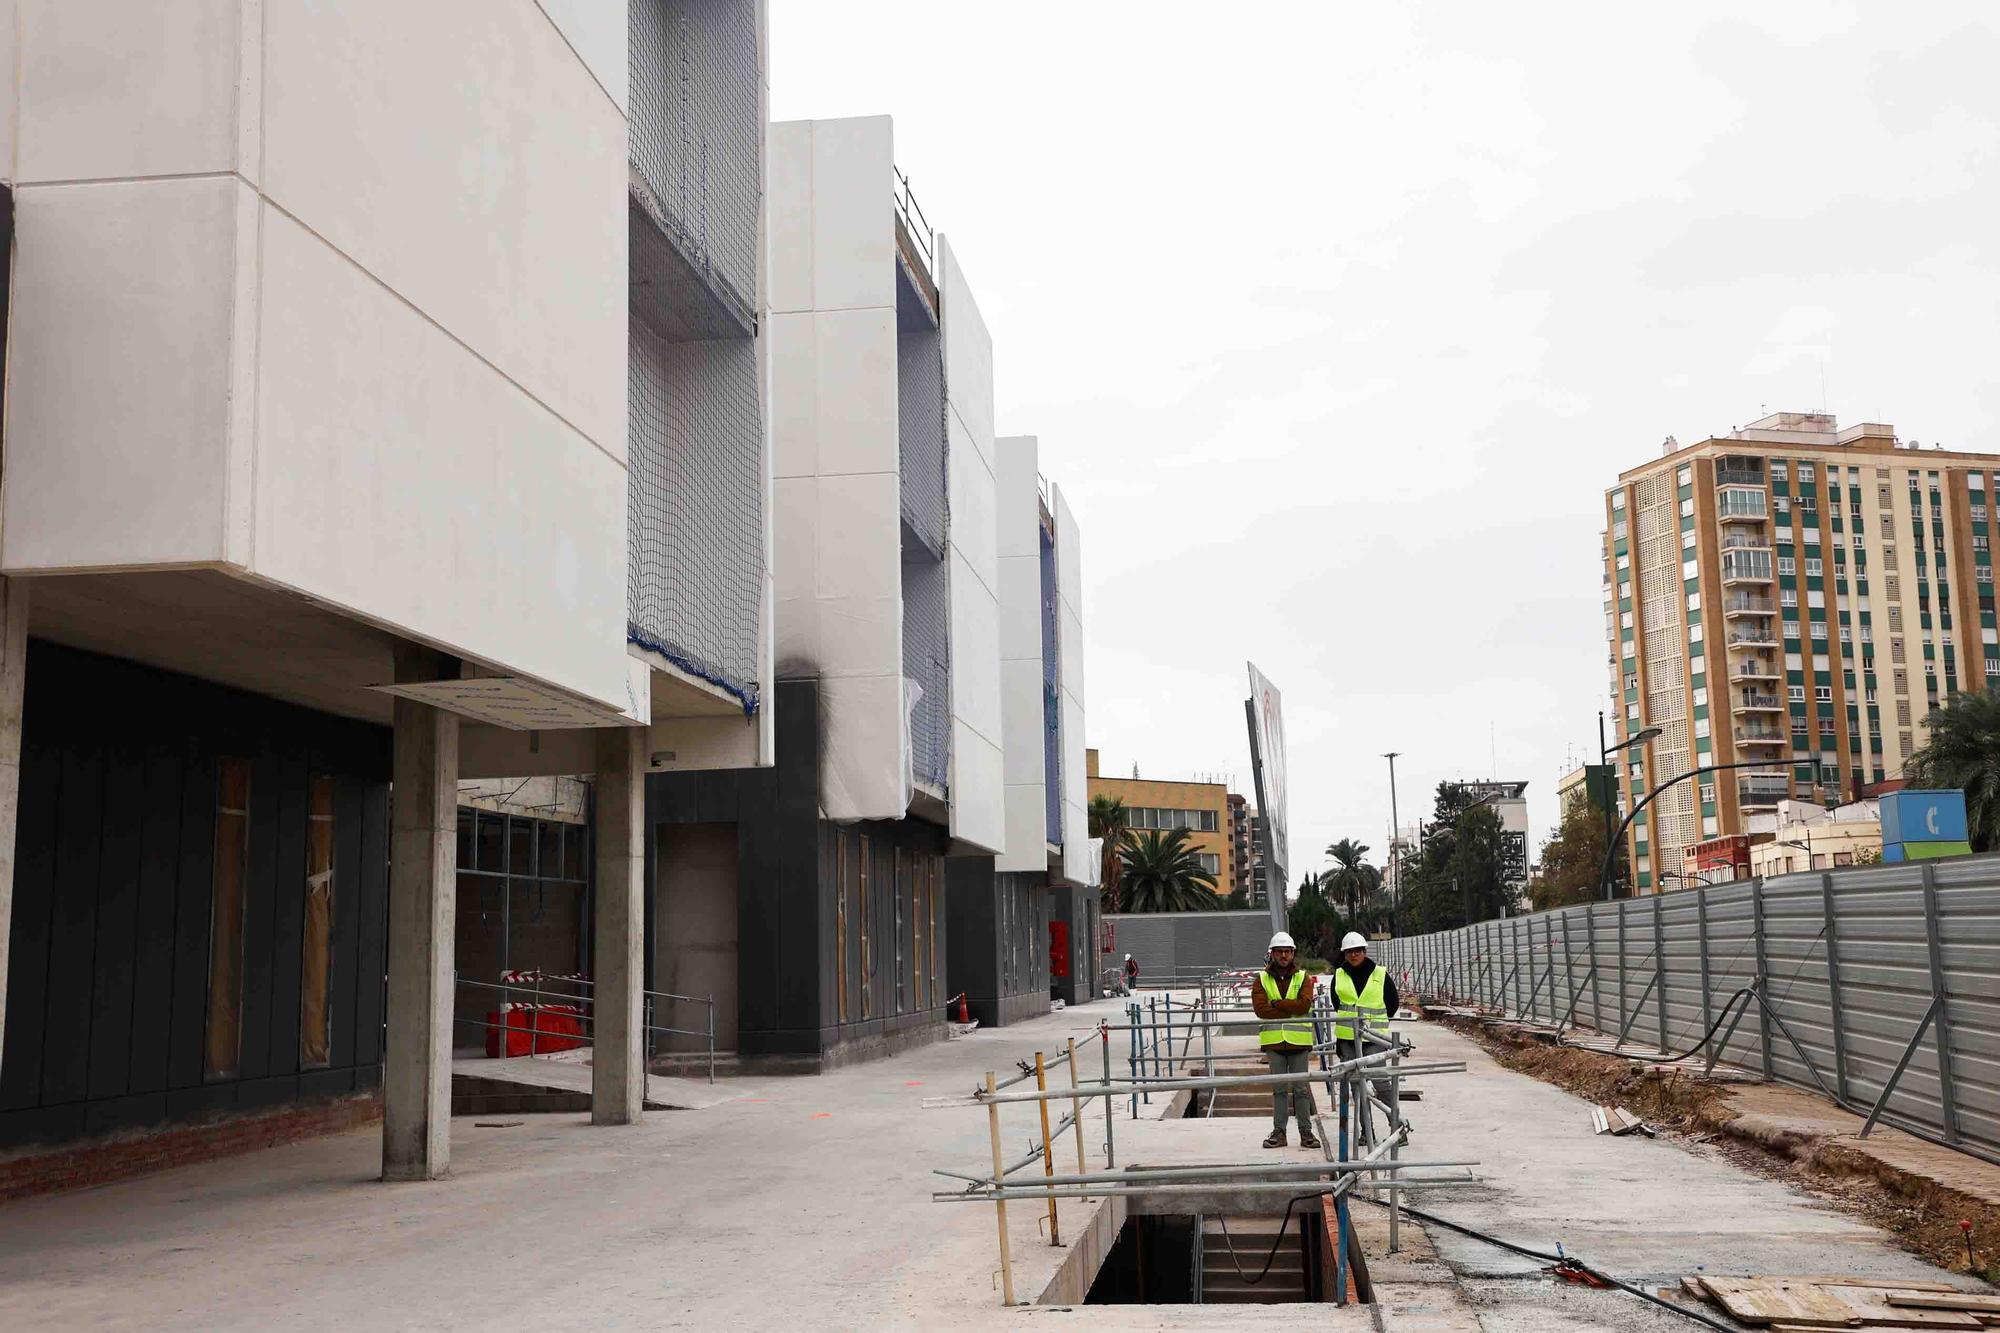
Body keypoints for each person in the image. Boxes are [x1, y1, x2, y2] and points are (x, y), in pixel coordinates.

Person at [1251, 931, 1320, 1149]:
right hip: (1274, 1043)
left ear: (1293, 953)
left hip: (1298, 1043)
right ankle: (1279, 1132)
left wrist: (1276, 1004)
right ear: (1271, 954)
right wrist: (1288, 1006)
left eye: (1287, 951)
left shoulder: (1303, 977)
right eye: (1279, 951)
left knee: (1301, 1089)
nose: (1283, 955)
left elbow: (1304, 1006)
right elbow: (1261, 1010)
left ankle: (1306, 1133)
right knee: (1279, 1090)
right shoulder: (1261, 978)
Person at [1332, 931, 1400, 1147]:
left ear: (1364, 951)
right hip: (1348, 1041)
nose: (1354, 955)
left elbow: (1392, 1003)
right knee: (1357, 1088)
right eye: (1350, 952)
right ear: (1345, 954)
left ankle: (1397, 1128)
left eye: (1357, 951)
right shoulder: (1339, 975)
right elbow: (1338, 1004)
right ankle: (1366, 1132)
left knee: (1382, 1084)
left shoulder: (1380, 974)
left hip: (1373, 1039)